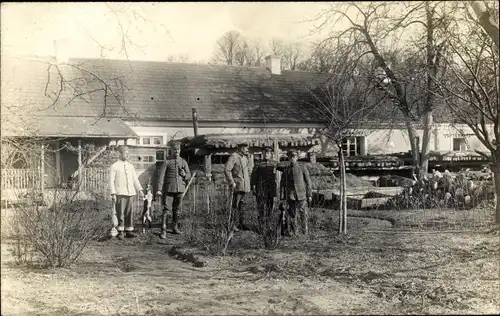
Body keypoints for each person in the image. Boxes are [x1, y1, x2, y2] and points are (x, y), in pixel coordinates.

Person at [109, 145, 144, 240]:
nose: (127, 155)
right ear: (119, 154)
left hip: (130, 193)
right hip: (120, 193)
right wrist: (113, 193)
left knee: (129, 212)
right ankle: (120, 231)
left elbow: (135, 179)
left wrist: (140, 190)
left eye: (128, 153)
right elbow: (111, 181)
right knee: (120, 213)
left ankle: (129, 230)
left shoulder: (130, 166)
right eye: (125, 153)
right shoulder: (114, 166)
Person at [157, 142, 191, 238]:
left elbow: (189, 174)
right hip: (169, 189)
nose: (176, 151)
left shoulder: (183, 162)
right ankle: (163, 230)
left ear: (180, 150)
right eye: (175, 150)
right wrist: (159, 189)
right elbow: (161, 177)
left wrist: (185, 175)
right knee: (166, 210)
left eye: (178, 150)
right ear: (172, 150)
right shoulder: (167, 162)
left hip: (180, 188)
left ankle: (174, 227)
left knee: (177, 210)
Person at [280, 149, 312, 236]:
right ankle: (295, 232)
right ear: (289, 158)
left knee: (303, 213)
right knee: (292, 214)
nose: (292, 158)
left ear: (297, 157)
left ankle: (305, 232)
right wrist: (282, 197)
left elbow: (308, 182)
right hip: (291, 196)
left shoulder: (302, 167)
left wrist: (309, 194)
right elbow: (282, 184)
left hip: (302, 195)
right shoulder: (286, 170)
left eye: (294, 156)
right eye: (290, 157)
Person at [225, 143, 253, 231]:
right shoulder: (234, 157)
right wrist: (231, 182)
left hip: (245, 186)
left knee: (243, 206)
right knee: (235, 206)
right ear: (240, 148)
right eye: (245, 148)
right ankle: (232, 225)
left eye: (247, 148)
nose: (247, 150)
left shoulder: (245, 158)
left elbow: (248, 171)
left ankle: (241, 224)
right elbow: (227, 169)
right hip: (237, 186)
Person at [251, 146, 278, 233]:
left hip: (270, 189)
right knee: (261, 208)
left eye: (268, 153)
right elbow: (253, 176)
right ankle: (262, 227)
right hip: (261, 189)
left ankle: (268, 225)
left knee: (270, 208)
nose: (266, 154)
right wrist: (254, 187)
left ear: (271, 154)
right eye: (265, 153)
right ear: (262, 154)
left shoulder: (275, 164)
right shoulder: (258, 164)